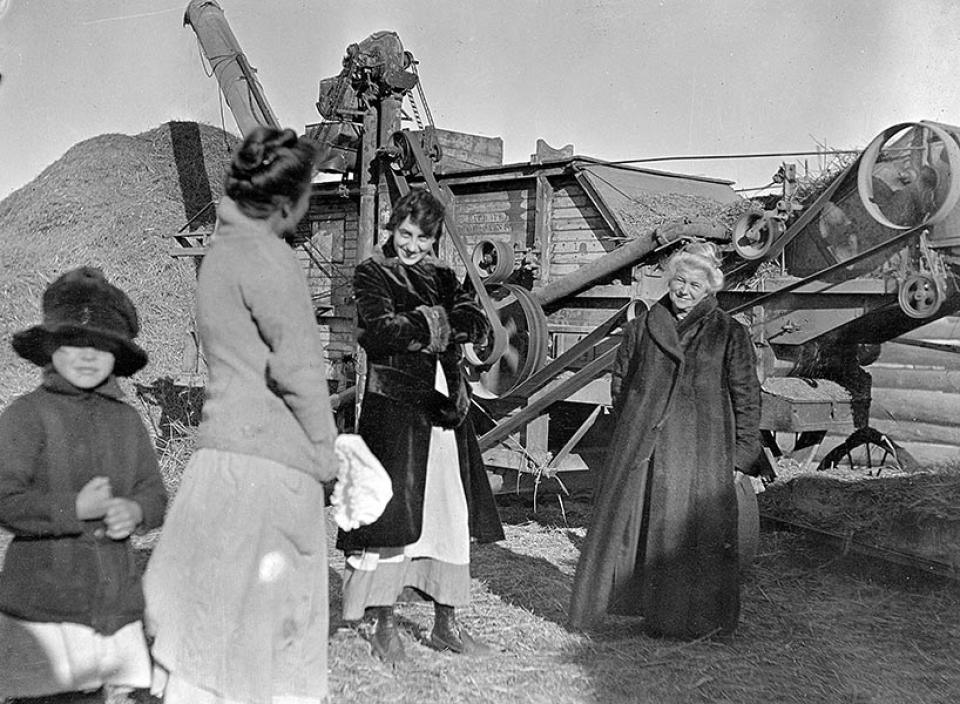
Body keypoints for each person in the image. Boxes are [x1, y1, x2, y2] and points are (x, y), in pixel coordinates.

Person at [143, 127, 338, 704]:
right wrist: (326, 451)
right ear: (287, 202)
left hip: (218, 459)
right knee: (266, 632)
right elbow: (298, 369)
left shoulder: (218, 255)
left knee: (211, 620)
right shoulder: (271, 258)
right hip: (272, 465)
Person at [337, 188, 504, 663]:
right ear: (393, 228)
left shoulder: (445, 276)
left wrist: (434, 325)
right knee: (394, 518)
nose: (411, 246)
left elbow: (473, 320)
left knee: (446, 513)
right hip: (396, 411)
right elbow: (379, 333)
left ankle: (446, 625)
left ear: (434, 240)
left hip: (444, 409)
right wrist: (438, 323)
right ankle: (386, 624)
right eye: (405, 235)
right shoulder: (373, 272)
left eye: (422, 239)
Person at [568, 241, 761, 639]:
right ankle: (621, 608)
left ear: (710, 291)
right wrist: (635, 424)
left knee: (687, 534)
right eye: (678, 281)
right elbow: (621, 382)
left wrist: (741, 457)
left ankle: (688, 622)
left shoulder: (728, 333)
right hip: (645, 445)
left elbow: (747, 396)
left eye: (694, 284)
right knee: (630, 528)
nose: (684, 290)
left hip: (701, 451)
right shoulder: (643, 326)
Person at [0, 266, 167, 703]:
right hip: (45, 607)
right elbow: (4, 498)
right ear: (49, 348)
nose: (87, 355)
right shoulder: (27, 416)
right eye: (72, 342)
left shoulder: (127, 421)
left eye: (102, 346)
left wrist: (136, 512)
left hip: (113, 601)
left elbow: (154, 492)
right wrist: (75, 508)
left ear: (118, 356)